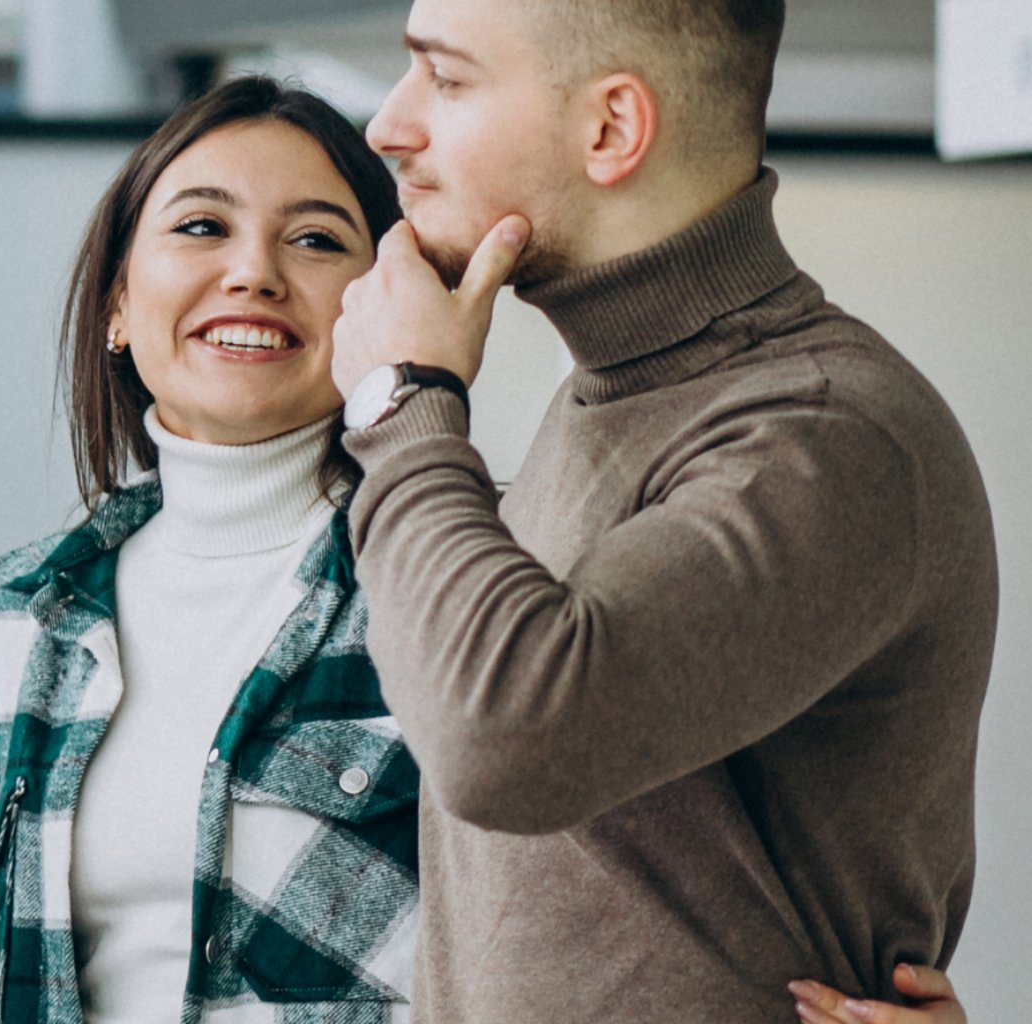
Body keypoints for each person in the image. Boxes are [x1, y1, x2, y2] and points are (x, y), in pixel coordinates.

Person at [324, 0, 992, 1020]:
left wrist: (399, 400)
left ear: (611, 129)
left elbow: (505, 744)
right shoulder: (615, 392)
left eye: (446, 79)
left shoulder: (825, 435)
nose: (387, 124)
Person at [0, 77, 423, 1024]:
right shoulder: (13, 642)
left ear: (383, 304)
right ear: (117, 303)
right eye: (201, 227)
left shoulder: (452, 585)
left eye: (316, 240)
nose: (254, 272)